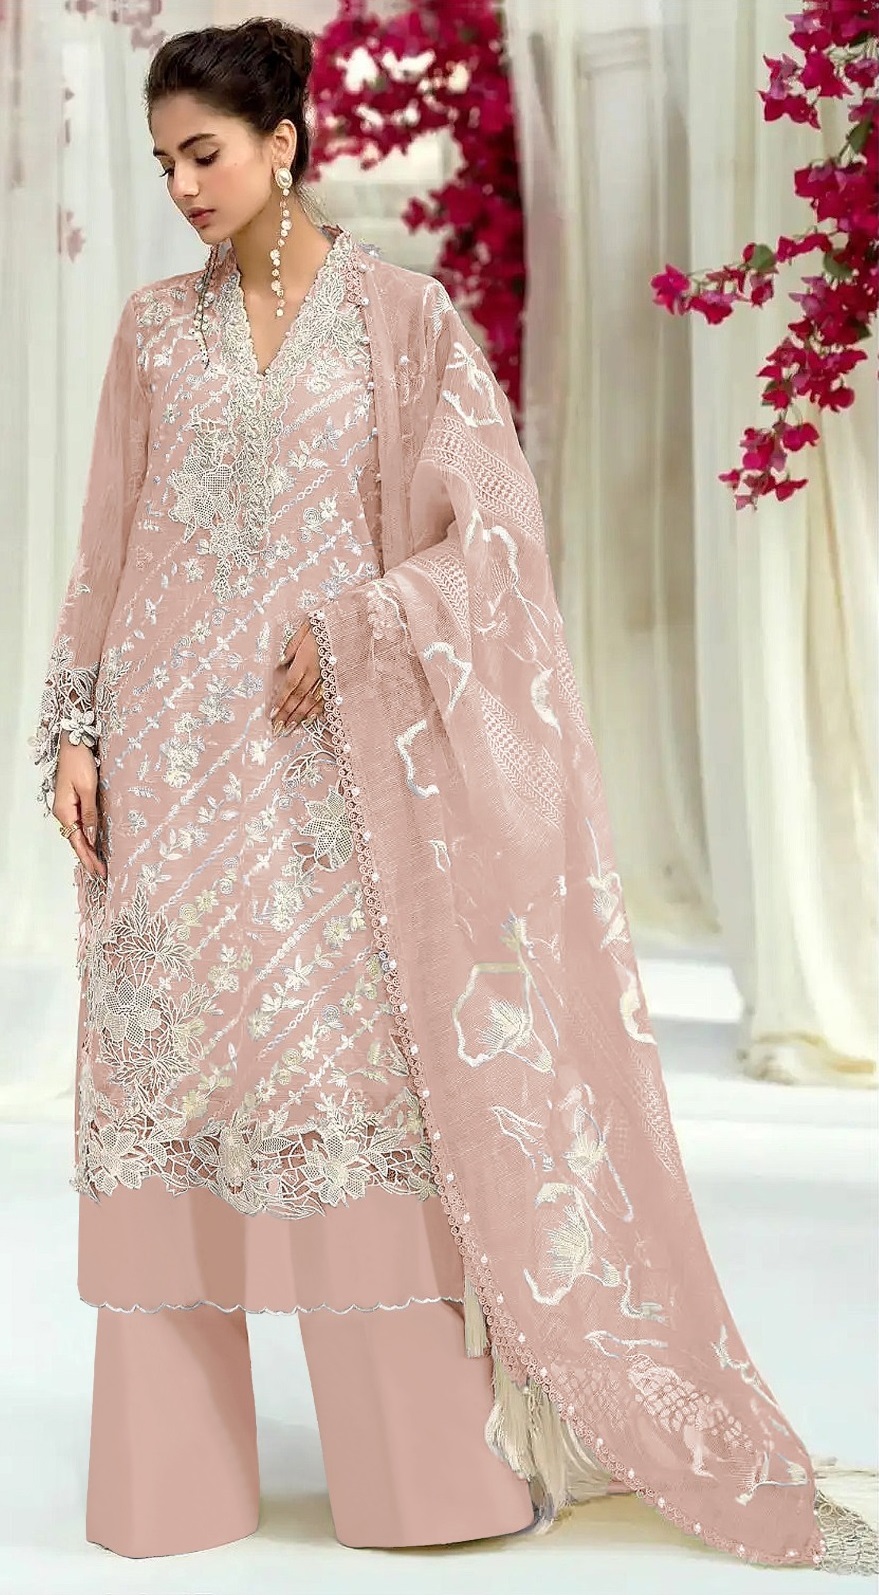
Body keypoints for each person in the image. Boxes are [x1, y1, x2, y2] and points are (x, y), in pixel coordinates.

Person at [30, 15, 875, 1574]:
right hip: (170, 769)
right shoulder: (151, 333)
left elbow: (493, 542)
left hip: (328, 781)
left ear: (285, 141)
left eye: (204, 154)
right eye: (161, 164)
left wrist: (364, 623)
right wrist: (76, 730)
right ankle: (173, 1485)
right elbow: (105, 542)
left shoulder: (402, 322)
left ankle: (417, 1476)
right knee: (168, 1092)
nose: (184, 187)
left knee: (346, 1092)